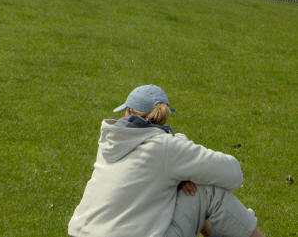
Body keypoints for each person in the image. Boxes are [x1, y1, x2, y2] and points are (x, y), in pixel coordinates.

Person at [68, 85, 266, 237]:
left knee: (187, 186)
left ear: (128, 111)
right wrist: (183, 169)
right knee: (207, 191)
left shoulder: (110, 142)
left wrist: (178, 177)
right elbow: (234, 174)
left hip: (80, 233)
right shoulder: (166, 148)